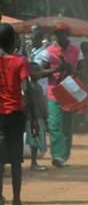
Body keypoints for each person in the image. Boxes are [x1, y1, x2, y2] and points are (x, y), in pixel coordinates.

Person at [36, 24, 83, 167]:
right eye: (57, 34)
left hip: (70, 92)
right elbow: (39, 72)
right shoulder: (48, 52)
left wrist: (72, 71)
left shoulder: (76, 51)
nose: (59, 37)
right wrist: (55, 70)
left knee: (67, 125)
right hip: (54, 92)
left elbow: (83, 71)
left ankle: (64, 155)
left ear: (67, 34)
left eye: (62, 33)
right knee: (55, 125)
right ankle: (57, 156)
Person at [0, 24, 31, 205]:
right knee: (15, 161)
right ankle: (17, 201)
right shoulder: (20, 61)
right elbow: (26, 91)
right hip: (16, 115)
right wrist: (32, 117)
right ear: (13, 41)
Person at [24, 26, 49, 167]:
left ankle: (34, 159)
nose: (32, 42)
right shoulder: (32, 52)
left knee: (36, 122)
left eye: (34, 39)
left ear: (39, 39)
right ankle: (33, 161)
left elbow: (34, 71)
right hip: (30, 92)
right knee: (32, 123)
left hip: (38, 92)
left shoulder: (43, 54)